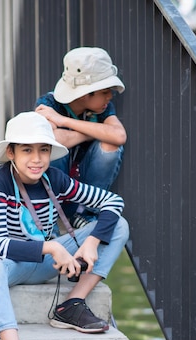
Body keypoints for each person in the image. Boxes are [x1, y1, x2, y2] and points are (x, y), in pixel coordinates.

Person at [0, 111, 129, 340]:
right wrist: (53, 246)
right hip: (13, 264)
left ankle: (72, 304)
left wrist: (93, 240)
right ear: (11, 152)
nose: (37, 159)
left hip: (47, 262)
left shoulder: (54, 178)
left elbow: (112, 201)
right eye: (27, 150)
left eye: (43, 150)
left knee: (118, 225)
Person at [35, 46, 126, 228]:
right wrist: (93, 131)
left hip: (84, 187)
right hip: (54, 188)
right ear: (85, 94)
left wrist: (64, 122)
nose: (110, 95)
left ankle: (87, 213)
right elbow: (53, 139)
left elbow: (118, 135)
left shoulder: (102, 108)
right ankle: (50, 217)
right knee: (54, 149)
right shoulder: (49, 104)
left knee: (110, 146)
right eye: (104, 91)